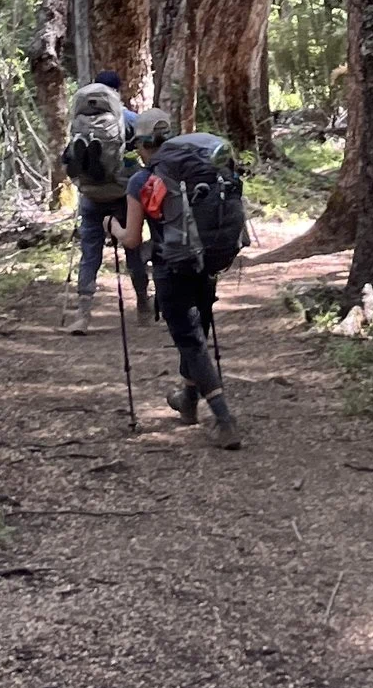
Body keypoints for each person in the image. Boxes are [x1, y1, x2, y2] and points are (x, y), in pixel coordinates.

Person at [123, 113, 248, 447]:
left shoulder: (142, 180)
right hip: (209, 258)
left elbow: (132, 239)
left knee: (190, 341)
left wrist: (112, 228)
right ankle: (189, 403)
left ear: (141, 144)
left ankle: (224, 419)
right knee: (196, 333)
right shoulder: (199, 167)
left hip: (173, 266)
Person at [65, 69, 150, 335]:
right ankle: (144, 306)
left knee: (90, 254)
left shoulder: (79, 119)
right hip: (123, 194)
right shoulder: (129, 118)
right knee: (132, 248)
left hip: (90, 194)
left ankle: (82, 313)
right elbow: (146, 149)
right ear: (118, 90)